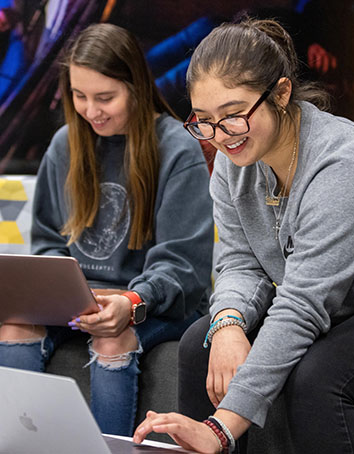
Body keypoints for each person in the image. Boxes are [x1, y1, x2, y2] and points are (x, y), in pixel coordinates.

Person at [133, 17, 354, 454]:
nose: (220, 137)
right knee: (197, 344)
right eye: (204, 120)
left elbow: (302, 305)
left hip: (349, 309)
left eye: (234, 116)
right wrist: (228, 324)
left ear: (281, 93)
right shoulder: (231, 161)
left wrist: (219, 430)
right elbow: (240, 261)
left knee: (318, 379)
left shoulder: (346, 163)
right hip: (320, 306)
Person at [0, 23, 214, 437]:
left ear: (135, 86)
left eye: (105, 97)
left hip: (153, 303)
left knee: (113, 340)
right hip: (78, 302)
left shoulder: (176, 148)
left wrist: (132, 301)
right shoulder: (65, 145)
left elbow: (182, 268)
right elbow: (46, 243)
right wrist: (56, 292)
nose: (91, 110)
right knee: (13, 326)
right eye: (79, 96)